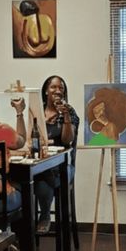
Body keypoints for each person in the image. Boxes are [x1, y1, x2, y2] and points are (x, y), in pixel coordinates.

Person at [34, 75, 79, 234]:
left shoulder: (69, 111)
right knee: (28, 177)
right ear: (46, 91)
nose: (57, 91)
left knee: (43, 177)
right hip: (40, 162)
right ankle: (21, 229)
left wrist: (66, 116)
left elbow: (68, 140)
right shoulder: (37, 111)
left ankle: (45, 215)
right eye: (53, 87)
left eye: (61, 88)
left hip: (62, 165)